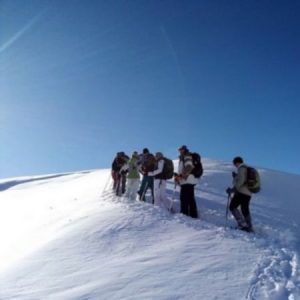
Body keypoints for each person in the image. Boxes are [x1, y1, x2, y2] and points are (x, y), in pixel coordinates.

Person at [226, 156, 253, 232]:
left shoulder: (241, 168)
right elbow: (242, 179)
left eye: (234, 164)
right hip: (248, 193)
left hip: (241, 192)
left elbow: (240, 181)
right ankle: (249, 226)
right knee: (245, 209)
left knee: (232, 207)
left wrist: (233, 189)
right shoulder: (247, 169)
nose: (235, 165)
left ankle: (243, 225)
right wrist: (235, 177)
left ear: (237, 162)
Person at [174, 145, 198, 218]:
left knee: (184, 198)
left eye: (181, 149)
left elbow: (189, 167)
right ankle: (193, 215)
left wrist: (180, 176)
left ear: (184, 149)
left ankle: (184, 214)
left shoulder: (186, 156)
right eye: (179, 150)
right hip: (187, 181)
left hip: (187, 180)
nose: (180, 151)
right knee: (190, 198)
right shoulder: (183, 157)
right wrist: (178, 176)